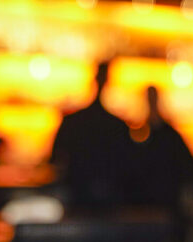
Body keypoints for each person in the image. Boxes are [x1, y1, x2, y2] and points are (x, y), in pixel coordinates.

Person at [51, 61, 135, 208]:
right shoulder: (117, 125)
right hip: (100, 198)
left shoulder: (74, 121)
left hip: (80, 196)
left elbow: (56, 159)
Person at [135, 85, 193, 212]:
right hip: (148, 206)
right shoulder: (140, 133)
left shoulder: (169, 136)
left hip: (167, 205)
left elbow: (188, 168)